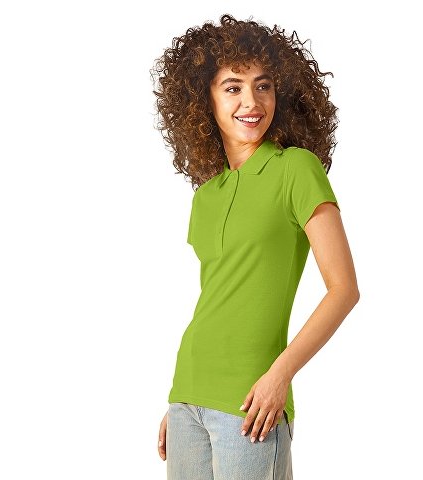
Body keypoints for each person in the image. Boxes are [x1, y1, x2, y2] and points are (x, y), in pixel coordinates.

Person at [150, 13, 360, 479]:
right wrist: (181, 400)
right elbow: (218, 299)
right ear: (203, 99)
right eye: (233, 88)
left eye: (263, 86)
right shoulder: (206, 195)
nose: (251, 101)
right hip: (188, 394)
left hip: (252, 400)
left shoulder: (295, 169)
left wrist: (279, 376)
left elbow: (344, 289)